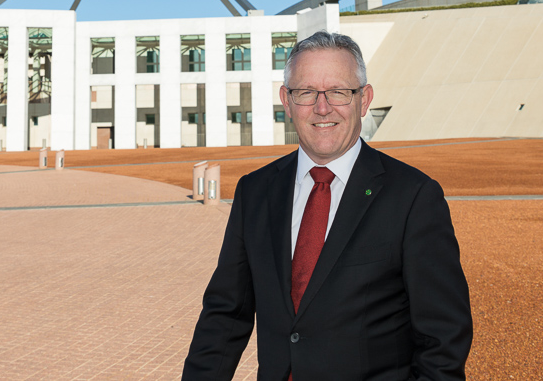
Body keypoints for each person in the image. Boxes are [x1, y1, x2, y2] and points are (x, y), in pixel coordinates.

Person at [182, 30, 473, 381]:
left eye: (338, 91)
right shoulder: (254, 192)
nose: (323, 107)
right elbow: (225, 315)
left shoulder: (413, 197)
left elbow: (443, 338)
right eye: (306, 92)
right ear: (286, 101)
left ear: (363, 99)